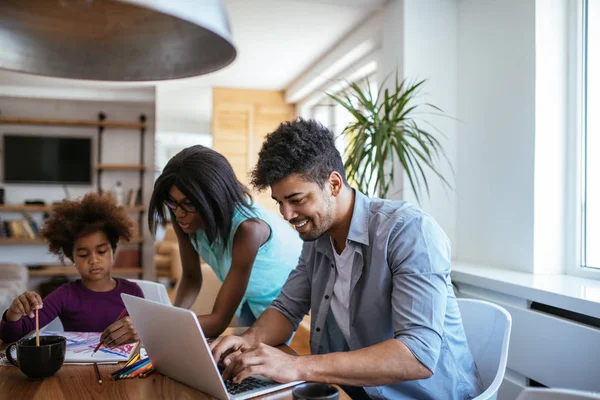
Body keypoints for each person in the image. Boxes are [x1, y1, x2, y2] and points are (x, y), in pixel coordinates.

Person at [211, 118, 482, 399]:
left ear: (334, 184)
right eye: (280, 202)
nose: (286, 215)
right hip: (357, 392)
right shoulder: (318, 237)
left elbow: (417, 354)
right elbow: (286, 308)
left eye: (297, 199)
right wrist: (243, 342)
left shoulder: (410, 232)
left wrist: (297, 366)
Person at [148, 145, 302, 338]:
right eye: (172, 202)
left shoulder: (249, 229)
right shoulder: (183, 216)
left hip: (282, 299)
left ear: (214, 198)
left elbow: (218, 321)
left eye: (188, 203)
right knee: (237, 356)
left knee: (260, 360)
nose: (178, 213)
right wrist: (170, 316)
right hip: (249, 295)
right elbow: (190, 277)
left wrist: (157, 325)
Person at [0, 192, 144, 347]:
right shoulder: (65, 295)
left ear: (113, 251)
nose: (94, 260)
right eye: (83, 254)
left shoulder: (133, 292)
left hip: (126, 367)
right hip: (79, 370)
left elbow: (152, 338)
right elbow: (11, 336)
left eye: (101, 251)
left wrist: (139, 333)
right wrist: (13, 312)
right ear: (72, 258)